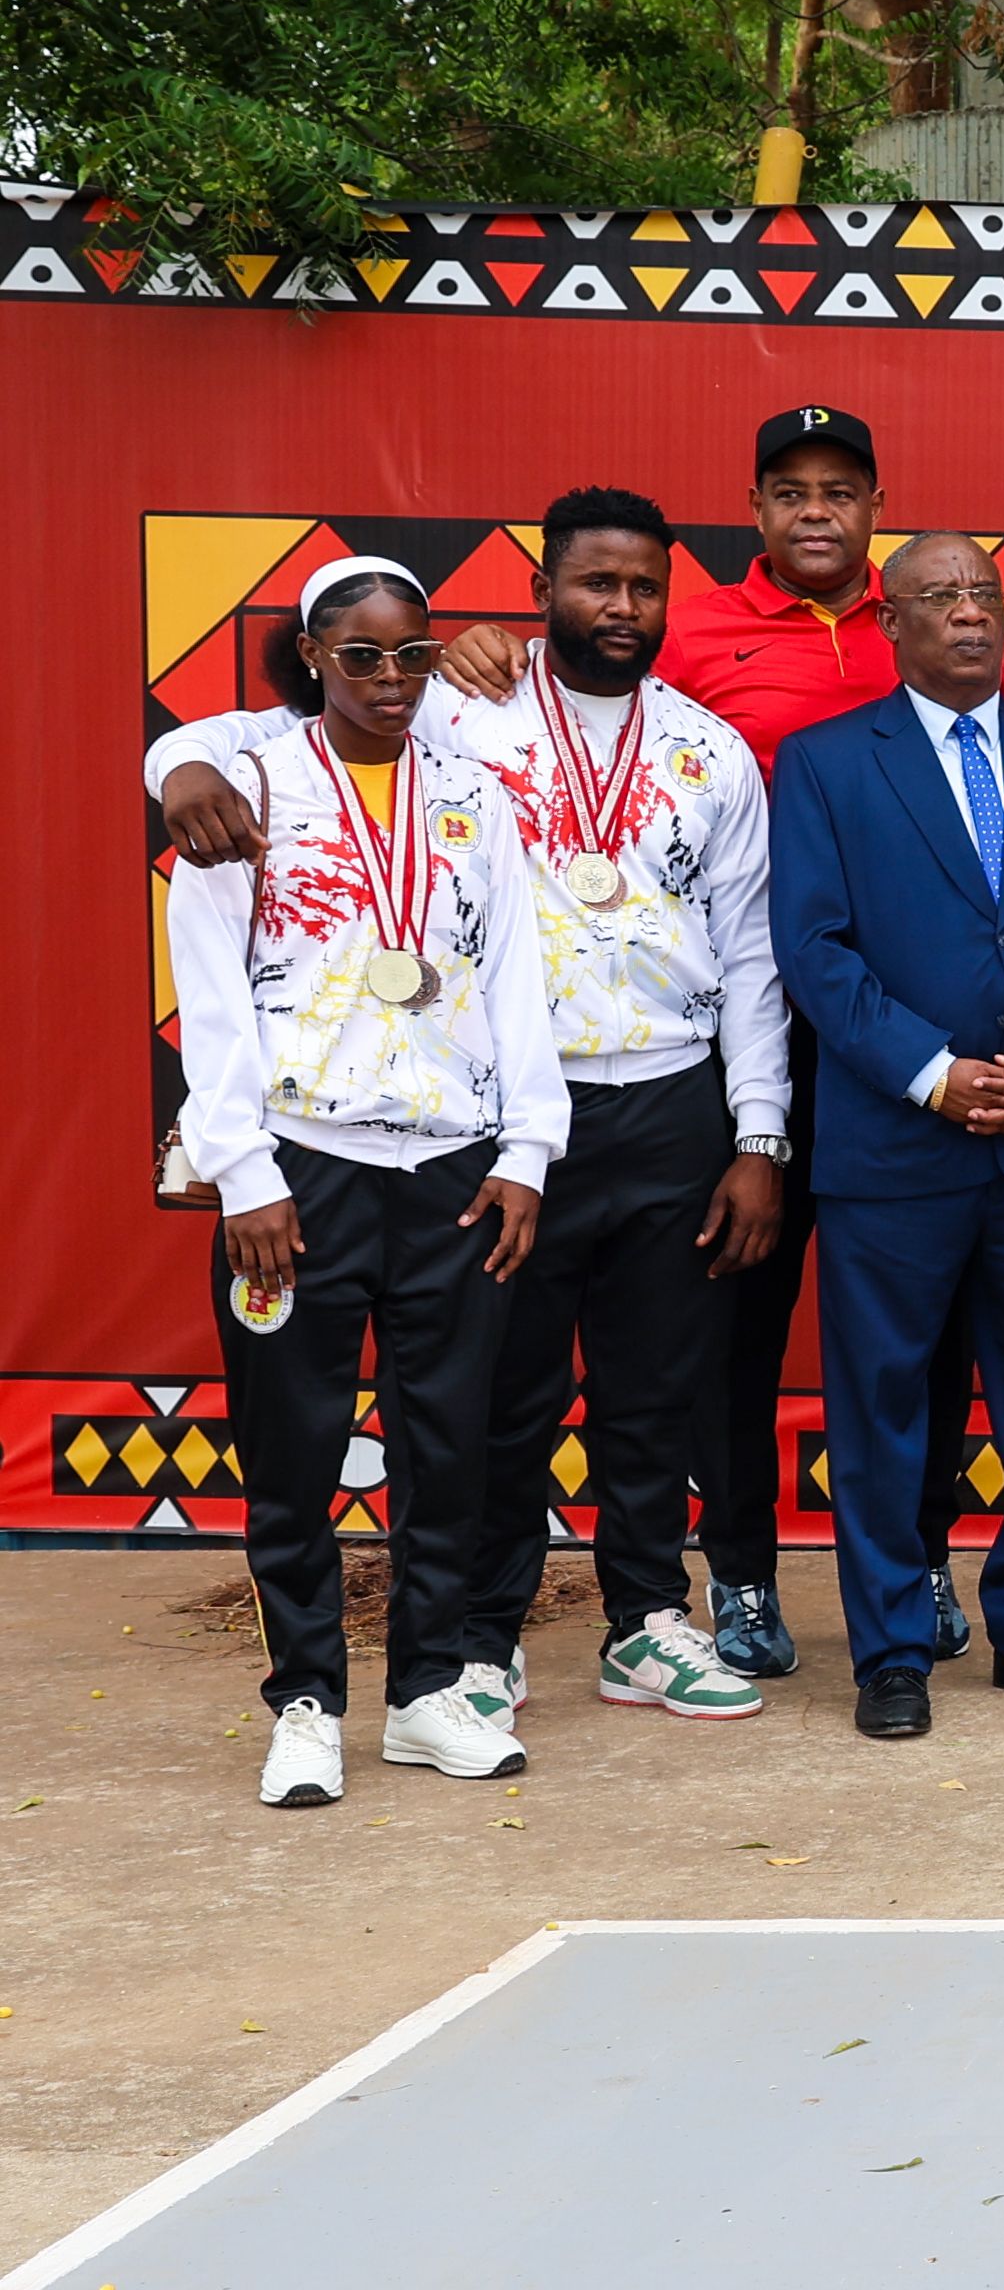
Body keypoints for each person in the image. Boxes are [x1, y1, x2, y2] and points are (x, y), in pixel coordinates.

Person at [447, 407, 1004, 1682]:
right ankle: (741, 1575)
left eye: (842, 490)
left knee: (936, 1339)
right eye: (791, 490)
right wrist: (469, 648)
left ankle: (918, 1563)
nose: (818, 510)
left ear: (876, 513)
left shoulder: (937, 605)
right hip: (753, 1043)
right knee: (729, 1332)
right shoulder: (681, 628)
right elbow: (536, 685)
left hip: (920, 1058)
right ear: (754, 510)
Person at [152, 498, 785, 1727]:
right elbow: (250, 738)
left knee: (656, 1386)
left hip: (669, 1097)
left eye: (643, 587)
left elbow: (752, 952)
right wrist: (174, 768)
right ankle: (481, 1643)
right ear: (543, 591)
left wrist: (757, 1130)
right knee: (499, 1396)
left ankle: (647, 1622)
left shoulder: (710, 750)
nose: (621, 607)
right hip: (506, 1117)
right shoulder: (454, 702)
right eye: (595, 583)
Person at [169, 558, 561, 1803]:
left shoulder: (472, 794)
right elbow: (211, 999)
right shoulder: (247, 791)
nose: (392, 680)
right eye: (361, 656)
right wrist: (243, 1174)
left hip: (451, 1167)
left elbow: (515, 979)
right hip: (301, 1167)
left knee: (449, 1443)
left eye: (412, 655)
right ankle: (305, 1701)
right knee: (293, 1446)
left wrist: (526, 1150)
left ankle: (429, 1691)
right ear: (311, 657)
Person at [763, 534, 1004, 1739]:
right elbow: (812, 950)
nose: (970, 616)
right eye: (940, 597)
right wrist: (932, 1076)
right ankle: (891, 1649)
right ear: (891, 623)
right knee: (882, 1403)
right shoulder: (826, 763)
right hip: (894, 1148)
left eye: (985, 595)